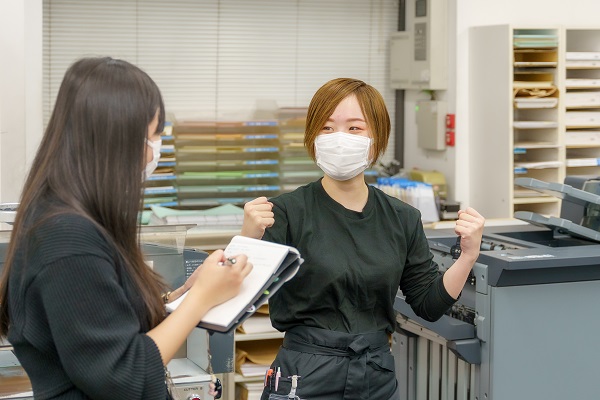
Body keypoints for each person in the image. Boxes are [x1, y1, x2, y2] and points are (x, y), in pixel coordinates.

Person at [0, 57, 253, 399]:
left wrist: (185, 295)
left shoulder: (72, 218)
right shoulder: (68, 237)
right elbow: (123, 376)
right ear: (116, 140)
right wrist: (203, 299)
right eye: (153, 138)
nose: (155, 155)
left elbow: (101, 321)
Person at [242, 77, 485, 400]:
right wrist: (248, 238)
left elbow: (428, 305)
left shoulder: (401, 218)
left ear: (377, 138)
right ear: (312, 137)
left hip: (375, 373)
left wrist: (467, 257)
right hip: (305, 373)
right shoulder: (284, 213)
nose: (339, 138)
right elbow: (239, 298)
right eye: (327, 128)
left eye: (354, 128)